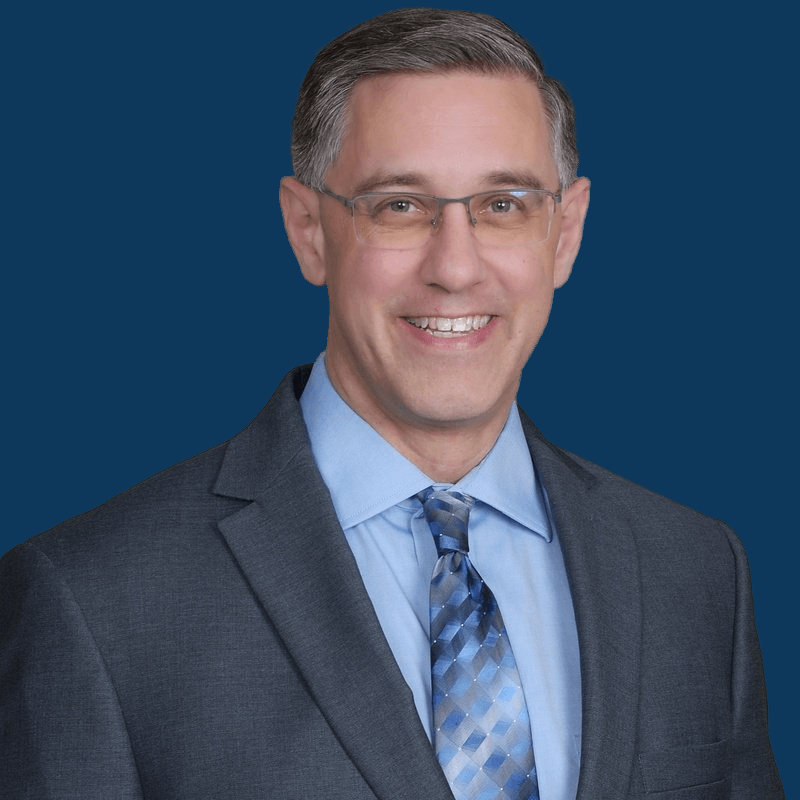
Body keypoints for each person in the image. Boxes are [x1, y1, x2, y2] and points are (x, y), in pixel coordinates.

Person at [0, 8, 783, 799]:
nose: (455, 268)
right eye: (399, 205)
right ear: (308, 231)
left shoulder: (697, 570)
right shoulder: (94, 598)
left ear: (567, 231)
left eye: (503, 204)